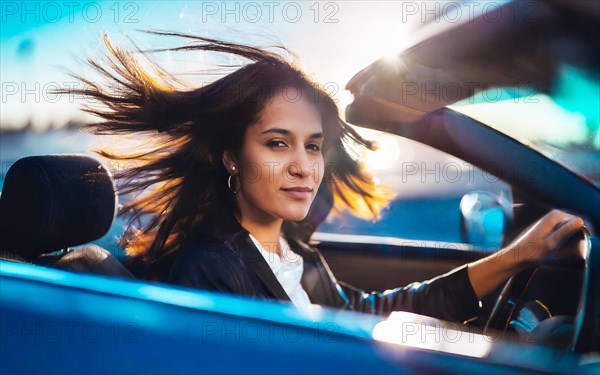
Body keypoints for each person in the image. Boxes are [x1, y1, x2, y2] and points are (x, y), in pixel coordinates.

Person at [69, 32, 584, 322]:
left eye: (313, 146)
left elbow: (372, 313)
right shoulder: (212, 271)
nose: (304, 166)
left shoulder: (295, 253)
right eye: (277, 143)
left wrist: (518, 255)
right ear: (230, 157)